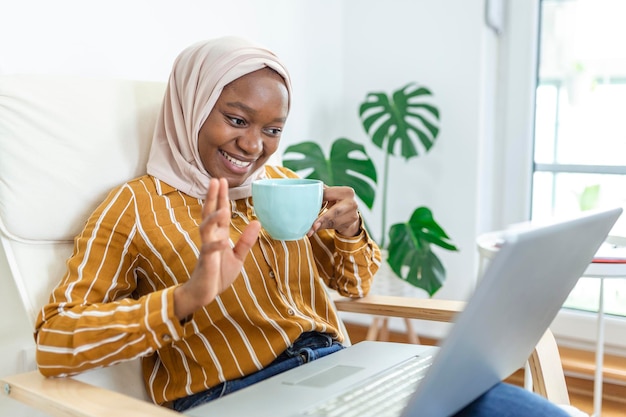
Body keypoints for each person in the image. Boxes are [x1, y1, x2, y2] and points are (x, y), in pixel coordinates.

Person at [34, 36, 571, 417]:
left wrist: (349, 230)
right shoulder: (132, 207)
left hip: (339, 367)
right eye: (237, 120)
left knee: (509, 406)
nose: (253, 146)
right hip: (238, 396)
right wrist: (186, 297)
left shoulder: (285, 183)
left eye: (272, 130)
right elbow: (54, 343)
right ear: (190, 105)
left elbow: (355, 285)